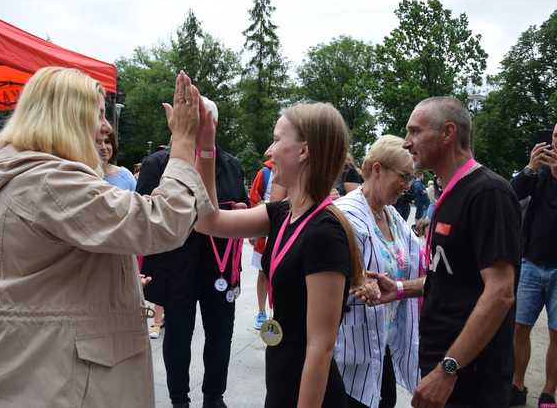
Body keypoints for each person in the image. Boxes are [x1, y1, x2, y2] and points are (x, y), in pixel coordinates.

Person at [0, 68, 214, 408]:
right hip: (41, 386)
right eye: (98, 114)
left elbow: (55, 273)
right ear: (67, 118)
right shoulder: (47, 181)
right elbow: (162, 222)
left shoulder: (18, 172)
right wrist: (184, 143)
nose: (106, 126)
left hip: (17, 378)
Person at [194, 102, 365, 407]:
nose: (269, 151)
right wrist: (206, 147)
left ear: (303, 151)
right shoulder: (282, 213)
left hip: (308, 391)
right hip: (283, 375)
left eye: (276, 139)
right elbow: (208, 221)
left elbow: (320, 346)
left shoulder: (325, 232)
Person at [358, 96, 520, 408]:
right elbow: (453, 278)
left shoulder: (489, 193)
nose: (406, 143)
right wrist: (402, 288)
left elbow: (500, 292)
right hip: (444, 365)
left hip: (470, 377)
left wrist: (449, 369)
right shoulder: (452, 193)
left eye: (415, 132)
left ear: (447, 133)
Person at [138, 97, 248, 408]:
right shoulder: (158, 164)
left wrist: (240, 210)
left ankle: (214, 397)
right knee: (177, 333)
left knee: (220, 334)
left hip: (219, 269)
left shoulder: (230, 165)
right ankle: (179, 400)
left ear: (214, 126)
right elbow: (142, 216)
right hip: (176, 266)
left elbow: (238, 210)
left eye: (205, 124)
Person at [334, 135, 421, 408]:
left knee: (385, 400)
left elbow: (414, 262)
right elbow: (331, 281)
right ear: (377, 169)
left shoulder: (390, 215)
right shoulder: (346, 215)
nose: (407, 186)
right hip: (351, 350)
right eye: (404, 176)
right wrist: (357, 285)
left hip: (383, 344)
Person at [509, 123, 557, 407]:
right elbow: (511, 194)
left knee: (556, 333)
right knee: (519, 327)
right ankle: (517, 384)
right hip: (530, 262)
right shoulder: (537, 173)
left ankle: (549, 391)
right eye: (554, 137)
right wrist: (528, 168)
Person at [249, 159, 286, 330]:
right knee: (263, 273)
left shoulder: (297, 170)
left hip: (286, 231)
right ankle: (262, 312)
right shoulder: (264, 173)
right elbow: (253, 198)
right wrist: (254, 229)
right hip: (265, 234)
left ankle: (280, 312)